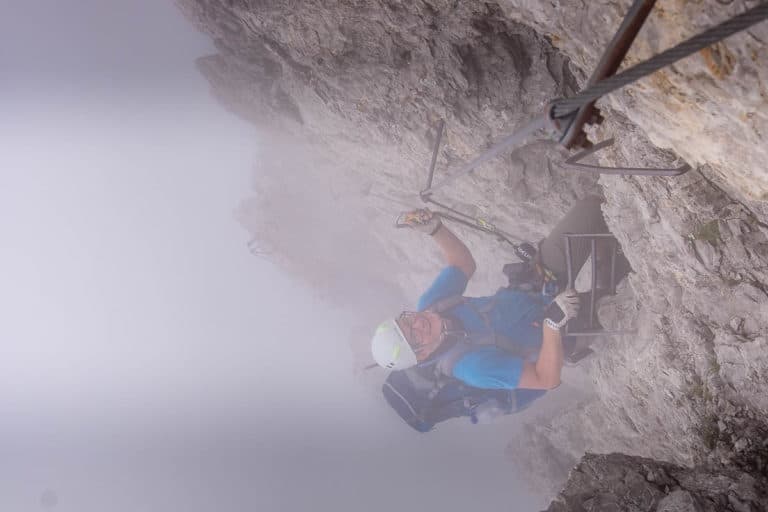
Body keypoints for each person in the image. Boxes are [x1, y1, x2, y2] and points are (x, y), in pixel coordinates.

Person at [370, 196, 623, 391]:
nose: (417, 323)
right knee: (623, 300)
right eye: (413, 336)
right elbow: (545, 379)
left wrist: (436, 230)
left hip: (539, 284)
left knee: (593, 208)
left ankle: (607, 258)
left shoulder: (432, 305)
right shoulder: (472, 367)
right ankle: (610, 277)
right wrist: (552, 325)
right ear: (422, 354)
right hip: (565, 330)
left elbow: (462, 265)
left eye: (406, 321)